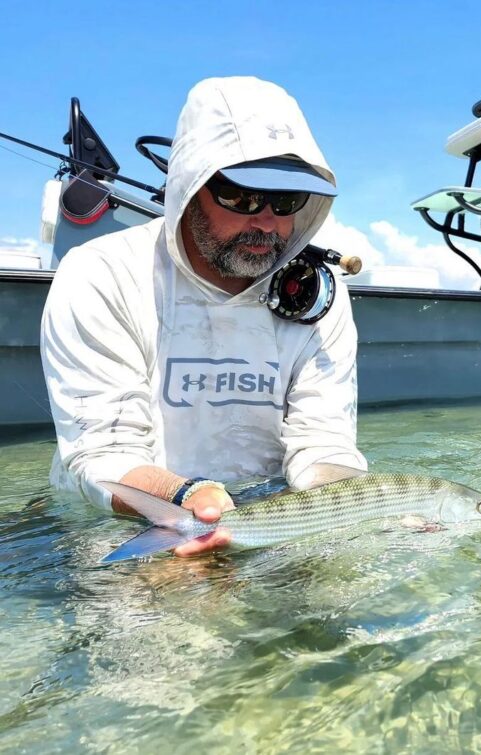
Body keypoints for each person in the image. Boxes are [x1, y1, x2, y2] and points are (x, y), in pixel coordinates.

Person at [41, 76, 367, 557]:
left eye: (286, 201)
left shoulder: (321, 295)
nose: (266, 221)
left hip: (272, 515)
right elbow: (103, 453)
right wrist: (186, 498)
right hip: (122, 517)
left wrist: (345, 514)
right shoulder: (99, 273)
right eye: (242, 196)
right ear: (189, 187)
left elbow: (325, 443)